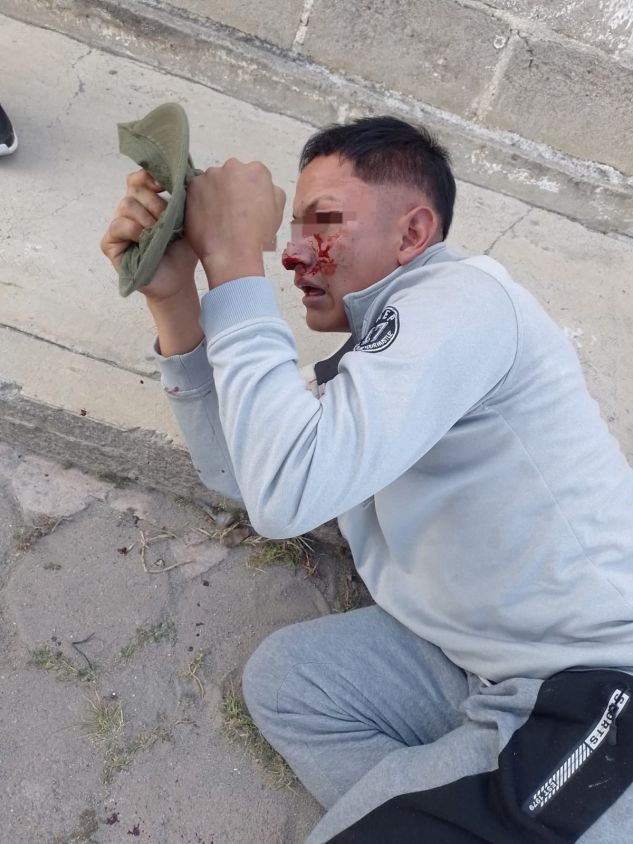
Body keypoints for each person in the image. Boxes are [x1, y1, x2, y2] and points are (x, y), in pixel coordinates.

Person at [101, 116, 633, 843]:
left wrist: (232, 260)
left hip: (592, 689)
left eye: (323, 221)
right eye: (289, 227)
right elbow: (245, 473)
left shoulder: (464, 302)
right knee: (293, 682)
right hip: (469, 662)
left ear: (413, 234)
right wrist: (175, 297)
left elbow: (287, 492)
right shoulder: (378, 368)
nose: (289, 253)